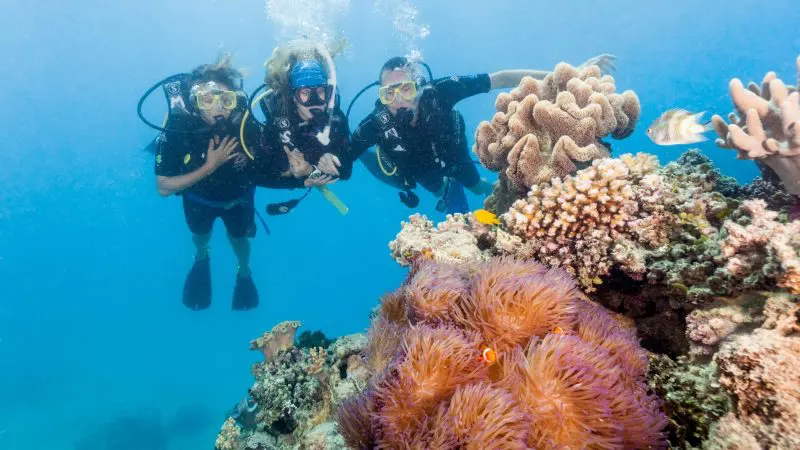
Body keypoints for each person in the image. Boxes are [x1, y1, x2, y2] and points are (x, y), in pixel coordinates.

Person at [345, 54, 617, 214]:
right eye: (388, 93)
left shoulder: (440, 92)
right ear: (380, 95)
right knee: (441, 190)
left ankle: (500, 197)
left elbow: (500, 78)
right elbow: (343, 157)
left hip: (453, 153)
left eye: (406, 89)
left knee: (476, 186)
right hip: (415, 169)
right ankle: (446, 194)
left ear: (419, 86)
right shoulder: (375, 124)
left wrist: (568, 75)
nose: (399, 100)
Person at [153, 55, 264, 311]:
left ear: (235, 100)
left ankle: (244, 270)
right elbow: (163, 187)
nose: (218, 110)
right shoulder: (178, 128)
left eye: (226, 100)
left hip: (238, 200)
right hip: (198, 201)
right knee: (201, 237)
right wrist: (210, 166)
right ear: (194, 102)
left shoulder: (245, 124)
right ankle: (202, 256)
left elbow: (268, 161)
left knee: (239, 241)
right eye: (207, 100)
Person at [253, 40, 351, 207]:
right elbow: (257, 176)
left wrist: (317, 167)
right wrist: (295, 177)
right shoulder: (277, 124)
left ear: (329, 92)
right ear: (293, 96)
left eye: (320, 92)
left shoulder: (335, 119)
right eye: (305, 93)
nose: (315, 101)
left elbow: (346, 171)